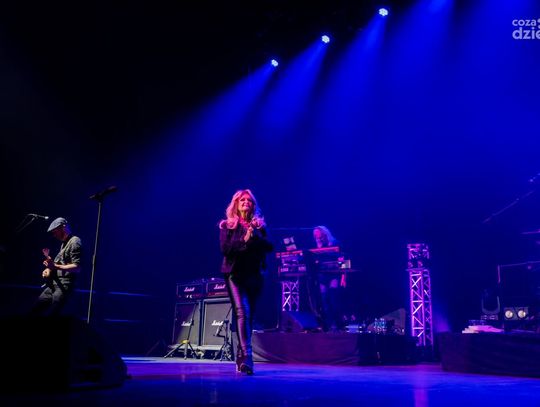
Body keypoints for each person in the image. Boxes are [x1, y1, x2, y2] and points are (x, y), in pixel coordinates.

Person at [219, 189, 273, 374]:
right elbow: (226, 250)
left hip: (254, 275)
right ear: (236, 203)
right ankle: (248, 357)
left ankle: (241, 357)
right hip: (235, 274)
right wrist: (245, 239)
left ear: (253, 205)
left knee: (249, 316)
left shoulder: (259, 226)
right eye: (242, 200)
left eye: (249, 200)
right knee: (242, 312)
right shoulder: (228, 225)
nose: (245, 202)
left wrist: (259, 232)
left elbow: (270, 246)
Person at [30, 217, 82, 316]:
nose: (54, 235)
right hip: (54, 284)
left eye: (55, 232)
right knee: (34, 311)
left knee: (52, 315)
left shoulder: (75, 241)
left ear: (63, 227)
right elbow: (59, 264)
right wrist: (49, 269)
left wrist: (54, 266)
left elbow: (77, 267)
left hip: (64, 285)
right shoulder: (64, 244)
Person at [311, 226, 346, 331]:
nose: (317, 237)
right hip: (322, 275)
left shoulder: (335, 243)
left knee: (333, 298)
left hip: (334, 274)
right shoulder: (319, 245)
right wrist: (319, 246)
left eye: (318, 234)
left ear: (324, 233)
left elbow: (342, 259)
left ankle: (338, 324)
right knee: (324, 300)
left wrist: (344, 276)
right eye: (315, 235)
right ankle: (329, 325)